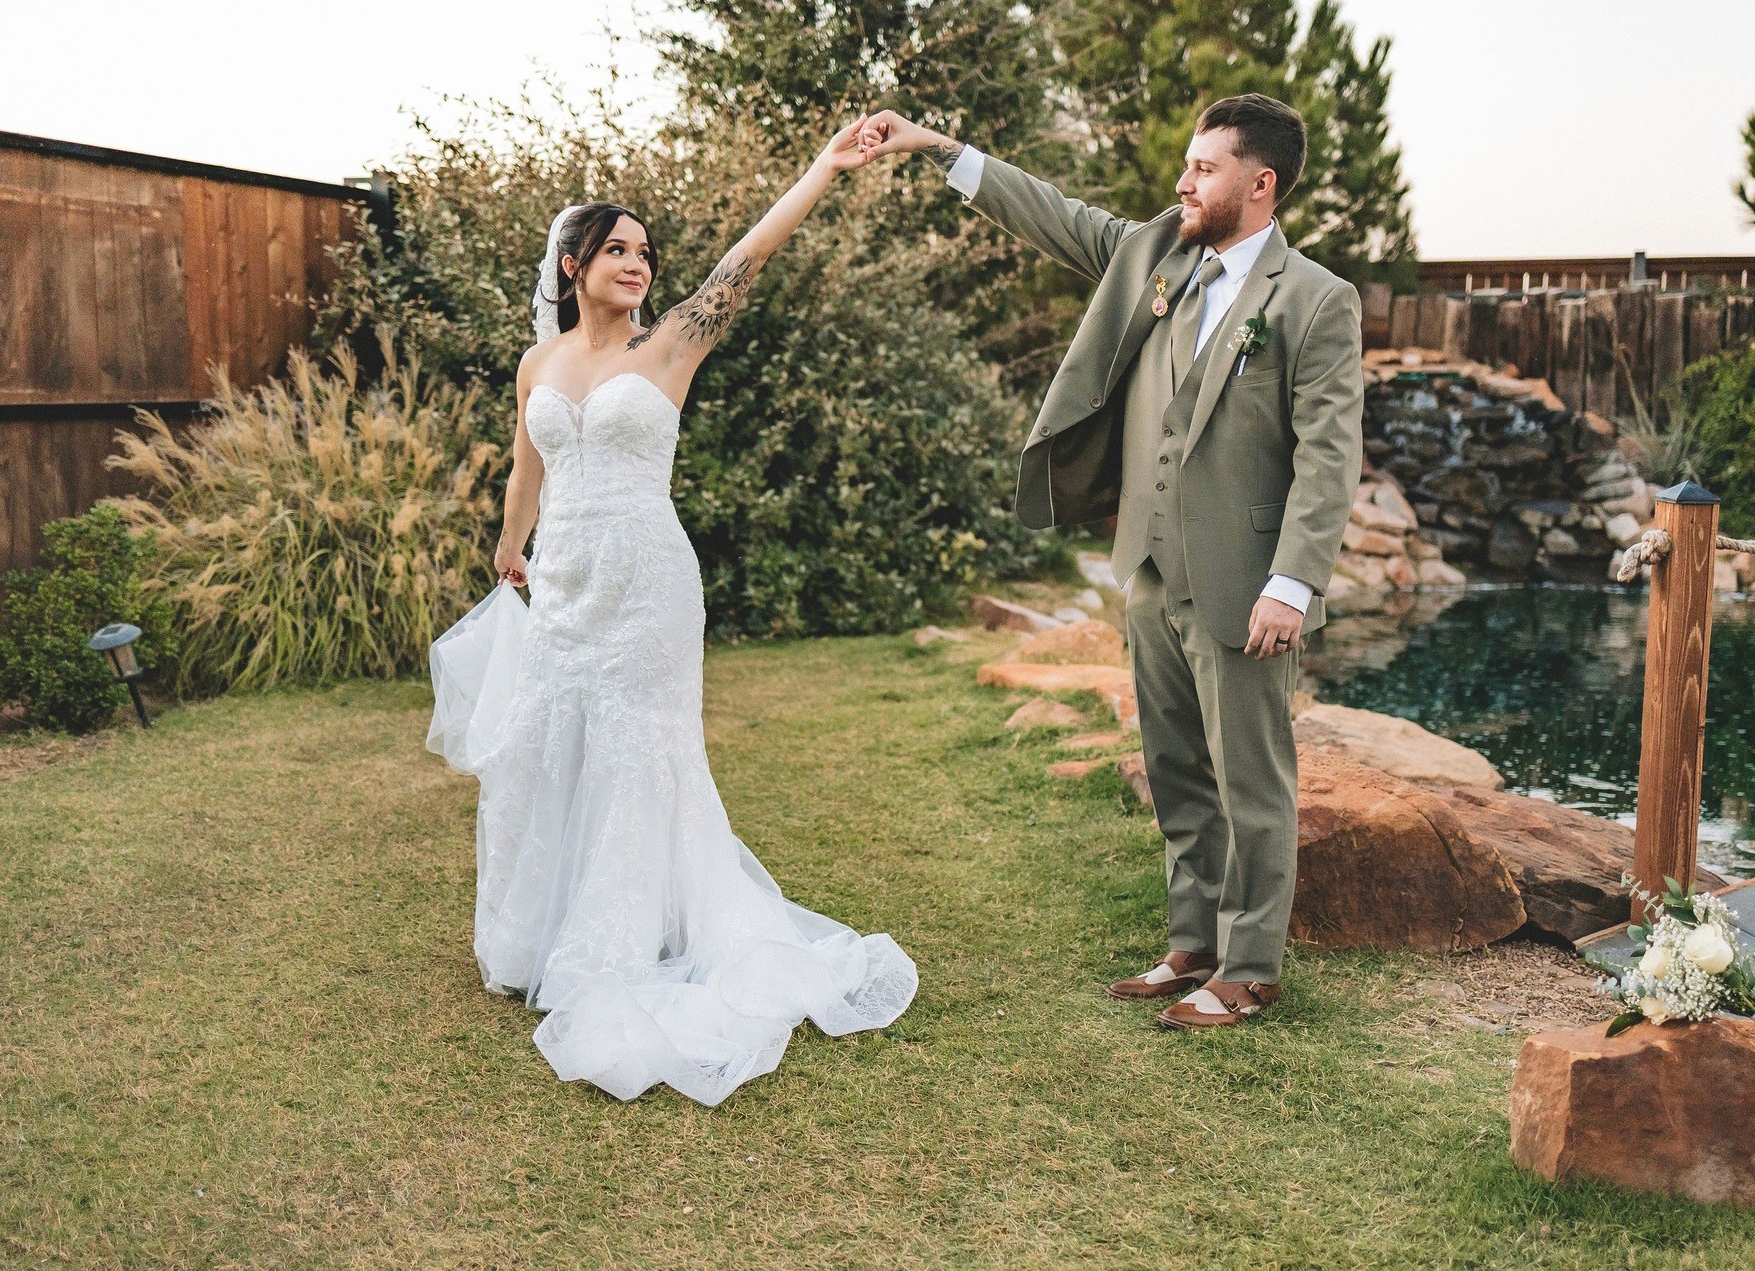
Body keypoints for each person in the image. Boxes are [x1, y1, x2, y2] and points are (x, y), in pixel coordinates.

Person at [425, 116, 917, 1105]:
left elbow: (753, 252)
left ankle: (627, 939)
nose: (637, 264)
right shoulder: (539, 367)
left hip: (648, 584)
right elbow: (531, 465)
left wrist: (822, 164)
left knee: (639, 751)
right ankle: (537, 932)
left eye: (645, 252)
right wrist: (510, 544)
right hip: (564, 583)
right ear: (571, 265)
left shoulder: (671, 347)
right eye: (616, 249)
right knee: (543, 745)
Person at [859, 95, 1363, 1029]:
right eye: (1186, 161)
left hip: (1249, 583)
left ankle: (1250, 969)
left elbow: (1329, 453)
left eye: (1204, 167)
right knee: (1176, 766)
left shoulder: (1315, 299)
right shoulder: (1155, 253)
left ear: (1260, 185)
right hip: (1151, 568)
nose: (1183, 181)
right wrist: (940, 147)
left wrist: (1293, 582)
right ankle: (1193, 943)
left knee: (1252, 780)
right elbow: (1057, 216)